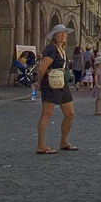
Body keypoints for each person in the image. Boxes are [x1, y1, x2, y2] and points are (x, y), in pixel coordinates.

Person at [36, 24, 77, 154]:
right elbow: (42, 68)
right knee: (47, 114)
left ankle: (64, 142)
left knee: (70, 114)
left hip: (61, 84)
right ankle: (41, 145)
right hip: (50, 83)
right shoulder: (51, 49)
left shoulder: (62, 50)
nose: (63, 35)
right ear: (54, 36)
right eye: (59, 33)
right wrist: (39, 83)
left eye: (64, 33)